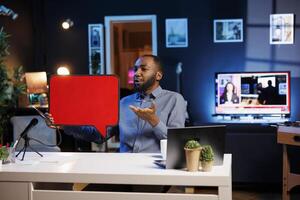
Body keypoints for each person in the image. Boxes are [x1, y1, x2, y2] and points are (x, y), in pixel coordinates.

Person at [46, 55, 187, 153]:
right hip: (123, 168)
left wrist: (154, 120)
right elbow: (99, 135)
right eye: (135, 68)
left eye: (143, 69)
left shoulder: (175, 100)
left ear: (158, 75)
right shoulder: (124, 102)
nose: (137, 73)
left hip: (155, 170)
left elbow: (177, 143)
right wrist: (64, 123)